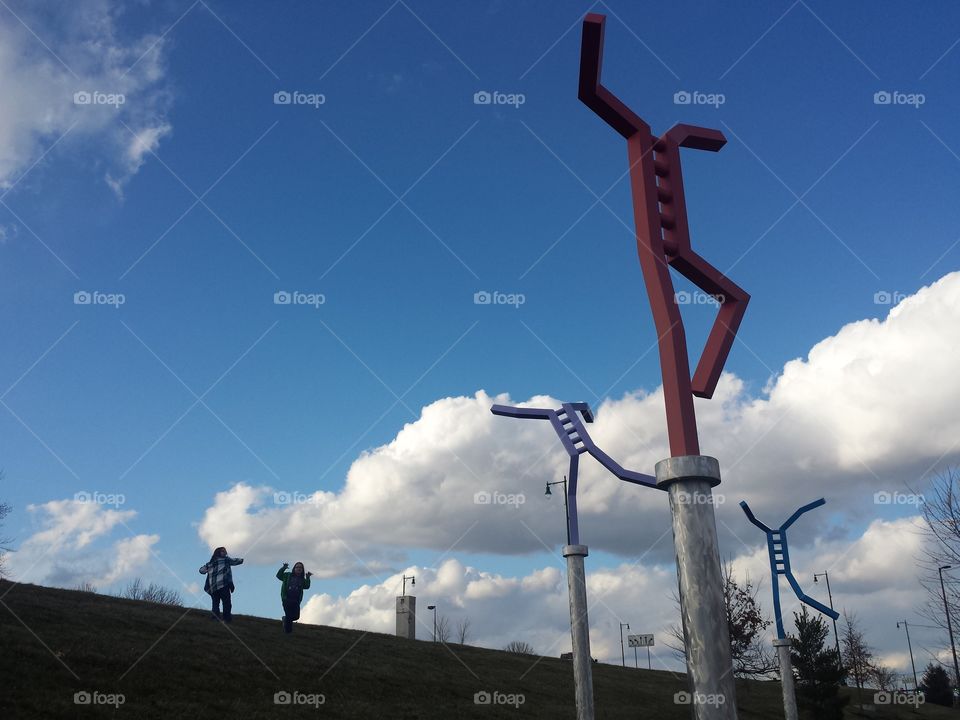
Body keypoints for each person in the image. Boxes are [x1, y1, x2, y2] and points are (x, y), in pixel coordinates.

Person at [199, 546, 243, 622]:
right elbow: (237, 561)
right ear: (219, 552)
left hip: (213, 587)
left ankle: (215, 618)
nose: (225, 552)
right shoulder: (226, 560)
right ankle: (226, 619)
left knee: (215, 603)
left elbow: (201, 570)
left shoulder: (210, 563)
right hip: (223, 585)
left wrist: (208, 570)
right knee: (226, 603)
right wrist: (242, 559)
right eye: (223, 551)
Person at [276, 561, 312, 634]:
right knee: (289, 616)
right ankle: (288, 632)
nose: (299, 569)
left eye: (301, 568)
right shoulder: (287, 575)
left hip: (296, 601)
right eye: (297, 567)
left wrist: (307, 577)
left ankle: (285, 620)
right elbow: (279, 576)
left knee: (296, 616)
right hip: (287, 599)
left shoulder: (302, 579)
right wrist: (284, 568)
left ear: (302, 570)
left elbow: (307, 586)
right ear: (294, 568)